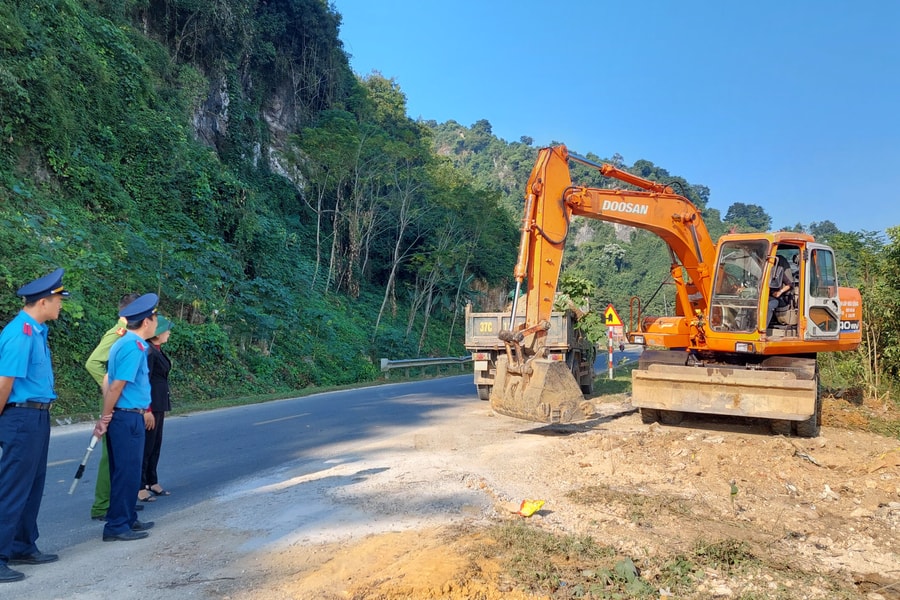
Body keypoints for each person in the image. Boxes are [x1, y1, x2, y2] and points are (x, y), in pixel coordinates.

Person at [0, 269, 69, 582]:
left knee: (32, 485)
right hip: (21, 417)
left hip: (37, 416)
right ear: (43, 301)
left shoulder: (37, 331)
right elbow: (5, 382)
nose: (61, 304)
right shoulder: (21, 333)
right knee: (12, 488)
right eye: (58, 299)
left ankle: (22, 545)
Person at [92, 293, 159, 542]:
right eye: (155, 318)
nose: (156, 322)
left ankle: (127, 517)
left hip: (129, 415)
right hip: (126, 416)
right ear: (146, 322)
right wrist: (105, 417)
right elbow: (116, 386)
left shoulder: (127, 342)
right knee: (126, 472)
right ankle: (117, 525)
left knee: (129, 471)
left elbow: (110, 381)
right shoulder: (132, 346)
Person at [85, 293, 141, 521]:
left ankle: (119, 502)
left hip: (124, 400)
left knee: (122, 456)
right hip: (116, 399)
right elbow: (93, 363)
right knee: (111, 456)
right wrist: (109, 386)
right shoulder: (119, 332)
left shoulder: (131, 333)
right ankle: (102, 505)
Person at [138, 315, 173, 503]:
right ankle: (140, 485)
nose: (169, 333)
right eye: (167, 330)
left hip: (159, 403)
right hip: (151, 405)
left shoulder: (157, 350)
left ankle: (152, 480)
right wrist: (147, 409)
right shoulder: (149, 352)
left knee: (155, 444)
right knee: (147, 446)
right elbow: (145, 381)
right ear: (158, 334)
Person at [766, 255, 794, 328]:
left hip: (778, 298)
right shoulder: (763, 273)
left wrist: (779, 292)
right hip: (765, 297)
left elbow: (790, 284)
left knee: (770, 305)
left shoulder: (778, 273)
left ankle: (763, 327)